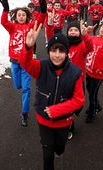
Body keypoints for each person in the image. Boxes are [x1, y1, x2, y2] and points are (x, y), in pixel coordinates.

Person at [19, 23, 85, 170]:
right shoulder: (40, 67)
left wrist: (58, 110)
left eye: (61, 51)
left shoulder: (75, 73)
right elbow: (25, 63)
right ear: (48, 51)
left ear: (67, 52)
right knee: (47, 156)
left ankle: (59, 150)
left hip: (63, 121)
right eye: (53, 50)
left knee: (60, 148)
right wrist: (28, 47)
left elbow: (79, 100)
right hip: (44, 120)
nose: (57, 55)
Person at [0, 0, 47, 127]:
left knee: (26, 88)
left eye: (23, 15)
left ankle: (24, 113)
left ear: (27, 16)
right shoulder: (12, 27)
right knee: (17, 86)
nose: (21, 17)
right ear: (15, 17)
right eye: (19, 15)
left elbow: (39, 21)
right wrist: (5, 10)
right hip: (14, 62)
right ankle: (20, 89)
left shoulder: (30, 26)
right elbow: (4, 22)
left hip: (26, 63)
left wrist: (43, 11)